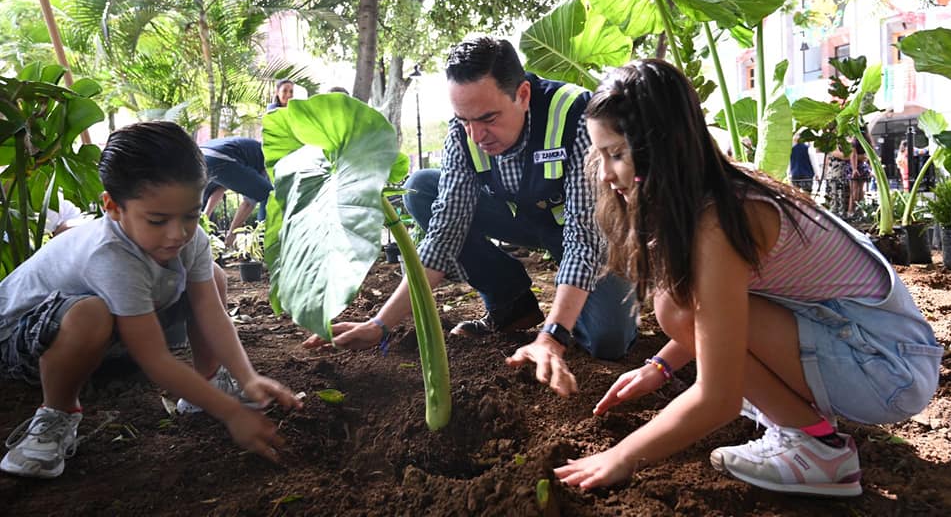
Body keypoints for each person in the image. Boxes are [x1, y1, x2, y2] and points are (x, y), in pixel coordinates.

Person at [553, 60, 941, 497]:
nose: (605, 174)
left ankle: (816, 448)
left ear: (659, 148)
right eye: (599, 154)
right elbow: (716, 313)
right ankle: (809, 434)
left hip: (888, 368)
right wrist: (661, 367)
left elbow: (717, 397)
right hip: (876, 351)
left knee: (674, 306)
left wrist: (620, 456)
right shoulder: (713, 195)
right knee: (676, 305)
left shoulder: (720, 220)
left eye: (617, 154)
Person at [304, 36, 637, 388]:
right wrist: (380, 324)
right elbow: (446, 232)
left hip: (582, 227)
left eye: (488, 118)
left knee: (608, 340)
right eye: (464, 120)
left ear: (522, 95)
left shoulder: (574, 115)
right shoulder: (464, 134)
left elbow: (585, 239)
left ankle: (569, 319)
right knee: (422, 190)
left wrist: (553, 335)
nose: (477, 135)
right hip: (518, 219)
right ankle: (510, 304)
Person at [0, 121, 301, 479]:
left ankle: (209, 379)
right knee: (90, 314)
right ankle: (56, 415)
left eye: (191, 215)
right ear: (113, 207)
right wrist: (232, 413)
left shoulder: (191, 240)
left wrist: (247, 377)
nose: (178, 233)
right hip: (21, 344)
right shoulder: (109, 253)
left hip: (105, 336)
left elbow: (211, 312)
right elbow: (153, 357)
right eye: (157, 220)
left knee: (213, 278)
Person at [200, 137, 272, 247]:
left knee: (206, 198)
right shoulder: (267, 159)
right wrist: (232, 234)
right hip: (222, 157)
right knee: (268, 195)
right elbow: (248, 203)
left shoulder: (250, 150)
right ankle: (265, 241)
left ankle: (199, 232)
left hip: (201, 157)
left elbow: (220, 188)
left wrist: (205, 216)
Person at [847, 131, 872, 217]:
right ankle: (860, 212)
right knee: (861, 191)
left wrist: (854, 169)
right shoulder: (867, 139)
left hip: (856, 167)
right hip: (863, 166)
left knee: (854, 191)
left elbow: (853, 154)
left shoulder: (855, 140)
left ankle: (851, 212)